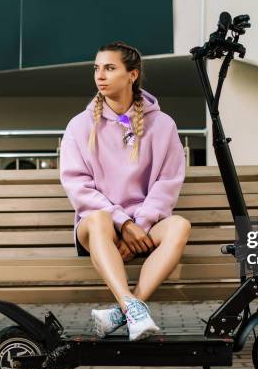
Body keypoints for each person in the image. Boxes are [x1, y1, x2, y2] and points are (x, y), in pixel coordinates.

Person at [60, 41, 191, 341]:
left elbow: (168, 182)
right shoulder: (79, 126)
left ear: (132, 75)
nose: (100, 75)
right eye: (96, 68)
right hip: (100, 231)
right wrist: (124, 223)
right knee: (97, 219)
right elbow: (78, 187)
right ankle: (132, 307)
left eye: (109, 68)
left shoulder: (163, 125)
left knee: (180, 226)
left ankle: (128, 309)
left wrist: (140, 225)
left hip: (144, 229)